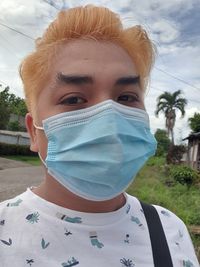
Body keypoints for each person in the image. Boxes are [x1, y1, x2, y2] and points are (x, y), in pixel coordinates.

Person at [0, 5, 199, 267]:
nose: (109, 120)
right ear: (32, 131)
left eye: (126, 97)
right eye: (73, 99)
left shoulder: (170, 229)